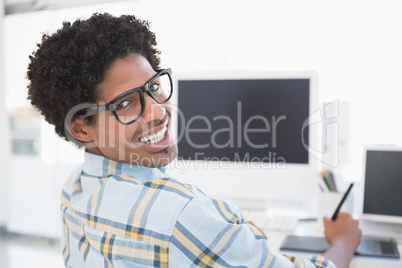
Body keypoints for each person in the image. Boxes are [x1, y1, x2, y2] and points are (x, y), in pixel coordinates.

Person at [27, 13, 361, 268]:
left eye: (154, 86)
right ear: (82, 129)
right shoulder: (184, 214)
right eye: (126, 103)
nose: (157, 112)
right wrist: (343, 242)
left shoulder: (73, 190)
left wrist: (229, 236)